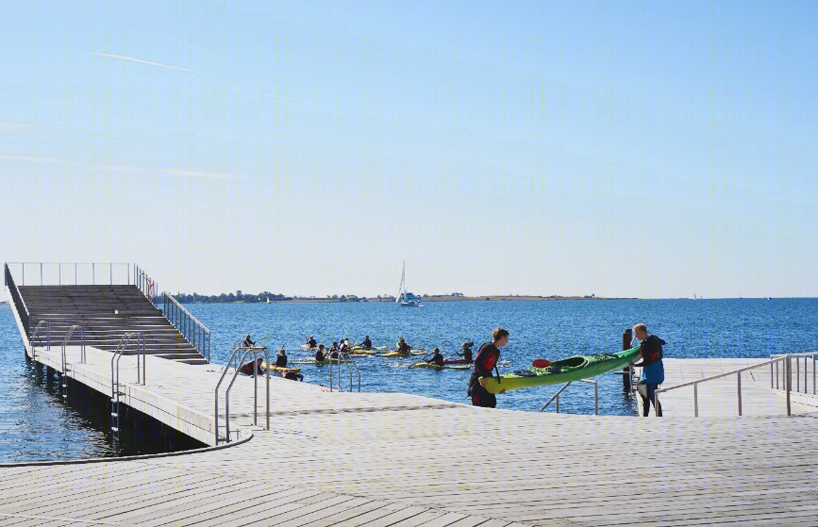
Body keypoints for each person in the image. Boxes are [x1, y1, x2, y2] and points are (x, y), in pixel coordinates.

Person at [468, 328, 510, 408]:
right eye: (507, 339)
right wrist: (484, 377)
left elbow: (489, 370)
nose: (507, 341)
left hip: (487, 379)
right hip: (478, 381)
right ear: (502, 338)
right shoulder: (488, 347)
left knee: (491, 403)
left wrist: (498, 388)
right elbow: (477, 362)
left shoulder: (496, 351)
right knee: (479, 407)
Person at [632, 323, 665, 417]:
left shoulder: (646, 344)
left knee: (650, 396)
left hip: (651, 373)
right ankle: (649, 416)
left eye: (637, 333)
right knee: (647, 395)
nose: (636, 336)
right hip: (657, 369)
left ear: (642, 332)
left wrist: (634, 365)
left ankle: (655, 417)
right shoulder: (654, 339)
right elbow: (663, 342)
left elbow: (647, 361)